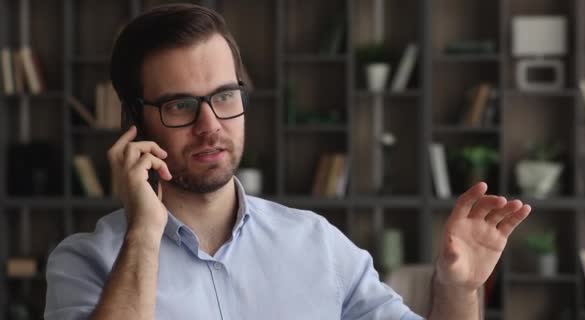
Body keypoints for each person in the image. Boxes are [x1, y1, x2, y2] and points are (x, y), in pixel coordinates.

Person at [44, 4, 531, 320]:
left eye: (225, 95)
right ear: (135, 121)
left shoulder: (318, 244)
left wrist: (459, 290)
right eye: (179, 105)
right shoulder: (86, 262)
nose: (210, 124)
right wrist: (145, 233)